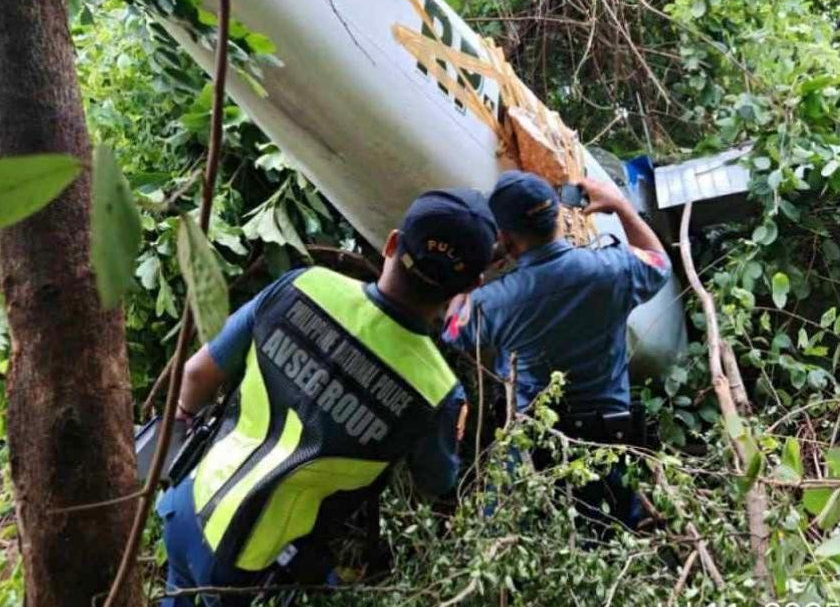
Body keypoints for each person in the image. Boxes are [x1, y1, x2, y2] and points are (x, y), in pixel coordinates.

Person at [158, 189, 497, 606]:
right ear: (472, 286)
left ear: (392, 244)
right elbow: (435, 482)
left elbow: (196, 373)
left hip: (190, 503)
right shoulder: (438, 391)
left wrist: (181, 423)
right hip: (253, 567)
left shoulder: (305, 283)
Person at [442, 170, 670, 529]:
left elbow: (452, 330)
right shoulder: (612, 270)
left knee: (513, 538)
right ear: (560, 216)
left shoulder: (494, 303)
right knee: (608, 536)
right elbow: (659, 263)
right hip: (607, 447)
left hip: (532, 456)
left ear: (505, 238)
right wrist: (621, 206)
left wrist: (478, 269)